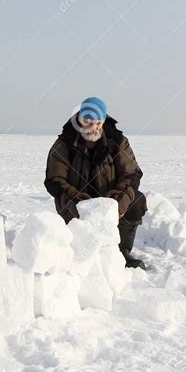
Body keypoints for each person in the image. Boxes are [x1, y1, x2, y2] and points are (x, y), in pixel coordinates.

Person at [44, 97, 147, 270]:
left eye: (98, 123)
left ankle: (120, 253)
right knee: (78, 242)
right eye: (88, 122)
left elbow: (132, 174)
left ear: (104, 120)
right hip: (76, 204)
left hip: (111, 200)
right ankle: (77, 254)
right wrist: (75, 202)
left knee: (136, 200)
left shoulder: (118, 141)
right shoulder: (64, 143)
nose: (94, 128)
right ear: (79, 121)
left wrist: (118, 202)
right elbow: (54, 180)